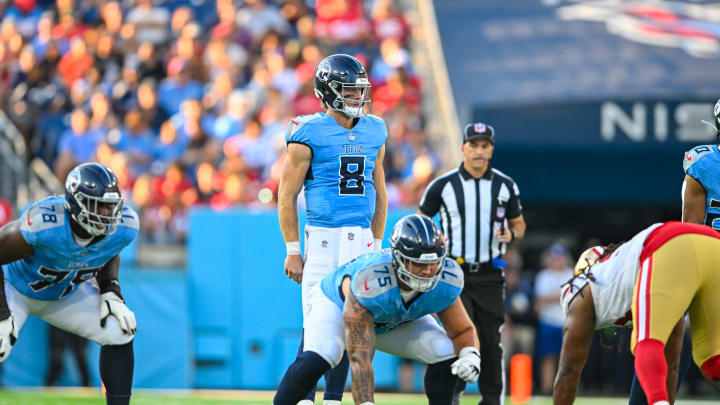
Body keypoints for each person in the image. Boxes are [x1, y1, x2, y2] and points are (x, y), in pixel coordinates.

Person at [274, 215, 480, 405]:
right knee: (324, 355)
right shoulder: (372, 281)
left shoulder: (446, 279)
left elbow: (461, 330)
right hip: (337, 305)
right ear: (399, 259)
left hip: (393, 319)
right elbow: (359, 358)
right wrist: (366, 402)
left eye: (434, 263)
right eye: (418, 264)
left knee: (446, 350)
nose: (428, 271)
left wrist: (471, 355)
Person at [278, 53, 388, 405]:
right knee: (317, 329)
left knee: (347, 326)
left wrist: (376, 240)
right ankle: (302, 398)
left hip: (360, 242)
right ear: (328, 92)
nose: (359, 98)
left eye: (360, 91)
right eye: (350, 91)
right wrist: (293, 249)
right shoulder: (307, 130)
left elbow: (379, 191)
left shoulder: (375, 129)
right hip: (323, 240)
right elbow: (287, 195)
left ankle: (333, 399)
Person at [0, 162, 138, 405]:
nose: (107, 214)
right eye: (99, 206)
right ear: (75, 202)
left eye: (110, 206)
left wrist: (110, 289)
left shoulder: (124, 227)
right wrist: (2, 313)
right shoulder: (46, 222)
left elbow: (109, 249)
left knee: (119, 330)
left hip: (64, 294)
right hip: (16, 288)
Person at [417, 122, 526, 405]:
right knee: (456, 334)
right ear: (463, 148)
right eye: (474, 145)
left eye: (484, 145)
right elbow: (420, 220)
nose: (479, 151)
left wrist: (510, 234)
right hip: (453, 272)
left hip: (490, 272)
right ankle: (450, 396)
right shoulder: (443, 185)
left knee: (491, 340)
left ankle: (492, 399)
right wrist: (433, 240)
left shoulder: (505, 185)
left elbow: (519, 225)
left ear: (491, 150)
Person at [553, 222, 720, 405]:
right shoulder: (625, 269)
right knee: (711, 360)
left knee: (647, 343)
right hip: (713, 243)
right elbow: (671, 364)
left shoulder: (583, 294)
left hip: (668, 241)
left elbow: (569, 372)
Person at [623, 98, 720, 405]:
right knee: (669, 342)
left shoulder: (702, 163)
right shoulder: (703, 166)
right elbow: (690, 228)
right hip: (702, 260)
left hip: (699, 259)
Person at [533, 243, 573, 395]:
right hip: (548, 322)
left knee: (567, 359)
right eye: (555, 258)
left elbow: (573, 298)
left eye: (560, 257)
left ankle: (565, 390)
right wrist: (560, 295)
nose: (557, 260)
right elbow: (539, 300)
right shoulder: (543, 275)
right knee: (547, 358)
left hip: (567, 322)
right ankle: (546, 389)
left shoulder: (571, 273)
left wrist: (550, 297)